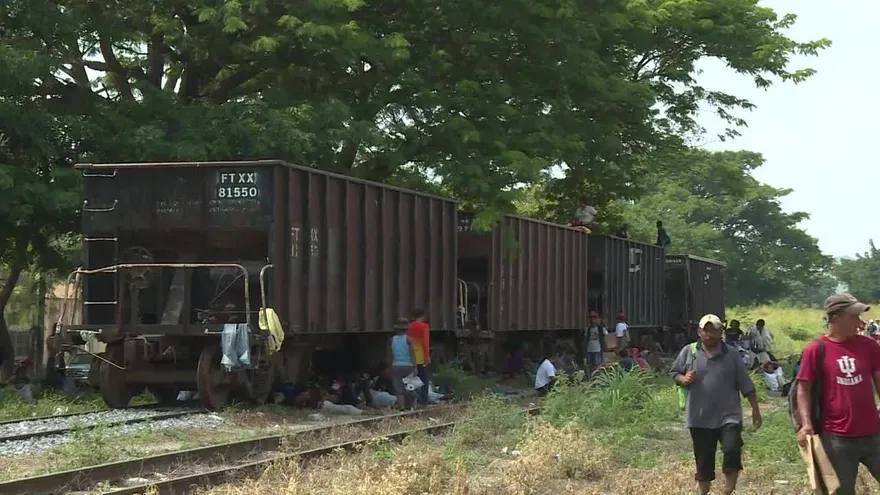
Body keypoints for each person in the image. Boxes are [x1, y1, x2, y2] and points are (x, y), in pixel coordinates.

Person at [794, 293, 880, 495]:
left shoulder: (869, 346)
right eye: (854, 317)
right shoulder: (816, 349)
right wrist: (806, 424)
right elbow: (803, 389)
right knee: (842, 491)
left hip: (874, 433)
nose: (861, 323)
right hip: (837, 438)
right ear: (837, 318)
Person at [671, 314, 762, 495]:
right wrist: (684, 378)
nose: (709, 334)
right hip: (699, 416)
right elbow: (674, 372)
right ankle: (703, 492)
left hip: (729, 415)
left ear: (722, 332)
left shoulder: (732, 354)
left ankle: (727, 491)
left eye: (714, 330)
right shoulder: (689, 352)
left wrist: (755, 410)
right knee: (704, 460)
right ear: (699, 332)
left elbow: (745, 383)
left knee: (732, 450)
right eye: (706, 330)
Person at [389, 318, 418, 409]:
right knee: (410, 387)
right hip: (408, 366)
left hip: (396, 366)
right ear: (406, 329)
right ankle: (412, 406)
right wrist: (415, 366)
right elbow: (412, 354)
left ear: (396, 329)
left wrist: (390, 367)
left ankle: (401, 406)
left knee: (399, 389)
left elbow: (390, 355)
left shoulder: (391, 340)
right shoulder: (409, 340)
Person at [406, 309, 431, 405]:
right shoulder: (424, 326)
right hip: (420, 357)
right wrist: (427, 356)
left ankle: (412, 401)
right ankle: (423, 399)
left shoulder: (408, 326)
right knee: (424, 379)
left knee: (411, 379)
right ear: (423, 316)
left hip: (410, 357)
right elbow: (425, 343)